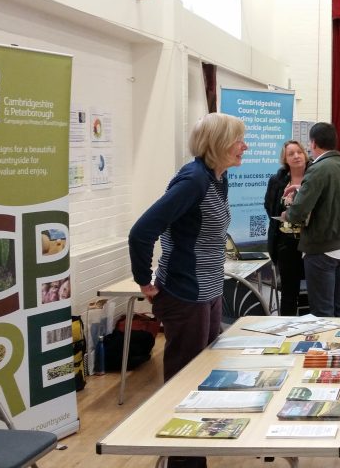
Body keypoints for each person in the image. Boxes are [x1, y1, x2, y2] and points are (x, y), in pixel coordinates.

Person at [129, 113, 246, 468]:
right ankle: (183, 462)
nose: (246, 146)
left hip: (208, 291)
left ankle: (193, 455)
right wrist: (144, 281)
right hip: (185, 294)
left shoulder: (217, 178)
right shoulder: (193, 180)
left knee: (204, 379)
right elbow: (141, 232)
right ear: (220, 144)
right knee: (185, 384)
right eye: (239, 140)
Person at [281, 122, 340, 317]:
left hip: (322, 248)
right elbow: (334, 198)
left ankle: (325, 348)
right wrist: (302, 190)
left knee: (322, 313)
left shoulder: (317, 169)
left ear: (313, 144)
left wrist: (286, 214)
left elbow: (298, 213)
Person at [264, 139, 310, 316]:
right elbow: (269, 205)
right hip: (285, 242)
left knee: (313, 292)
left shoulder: (314, 175)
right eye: (291, 154)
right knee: (289, 292)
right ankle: (286, 331)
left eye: (299, 152)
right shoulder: (277, 180)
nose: (296, 156)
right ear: (285, 159)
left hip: (310, 241)